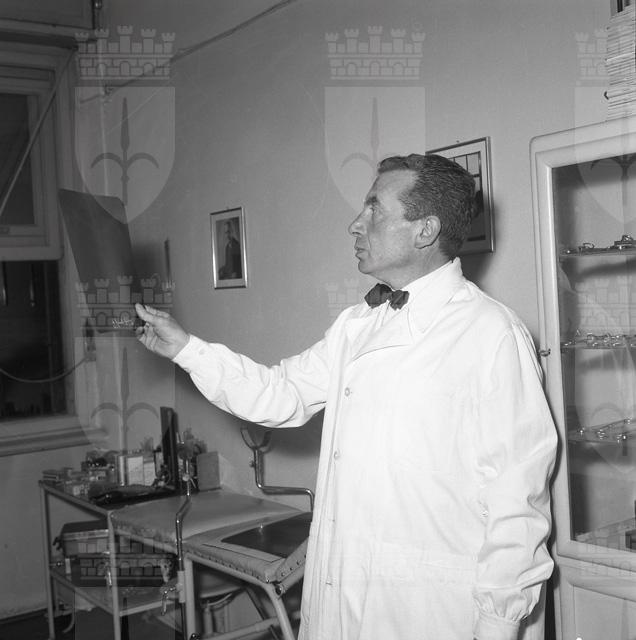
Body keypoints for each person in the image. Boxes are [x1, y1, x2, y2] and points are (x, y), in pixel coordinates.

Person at [135, 153, 557, 640]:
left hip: (433, 611)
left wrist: (499, 626)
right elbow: (279, 394)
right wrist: (187, 349)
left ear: (424, 230)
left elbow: (517, 502)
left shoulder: (490, 334)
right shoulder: (357, 324)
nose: (355, 224)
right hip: (344, 593)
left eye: (374, 209)